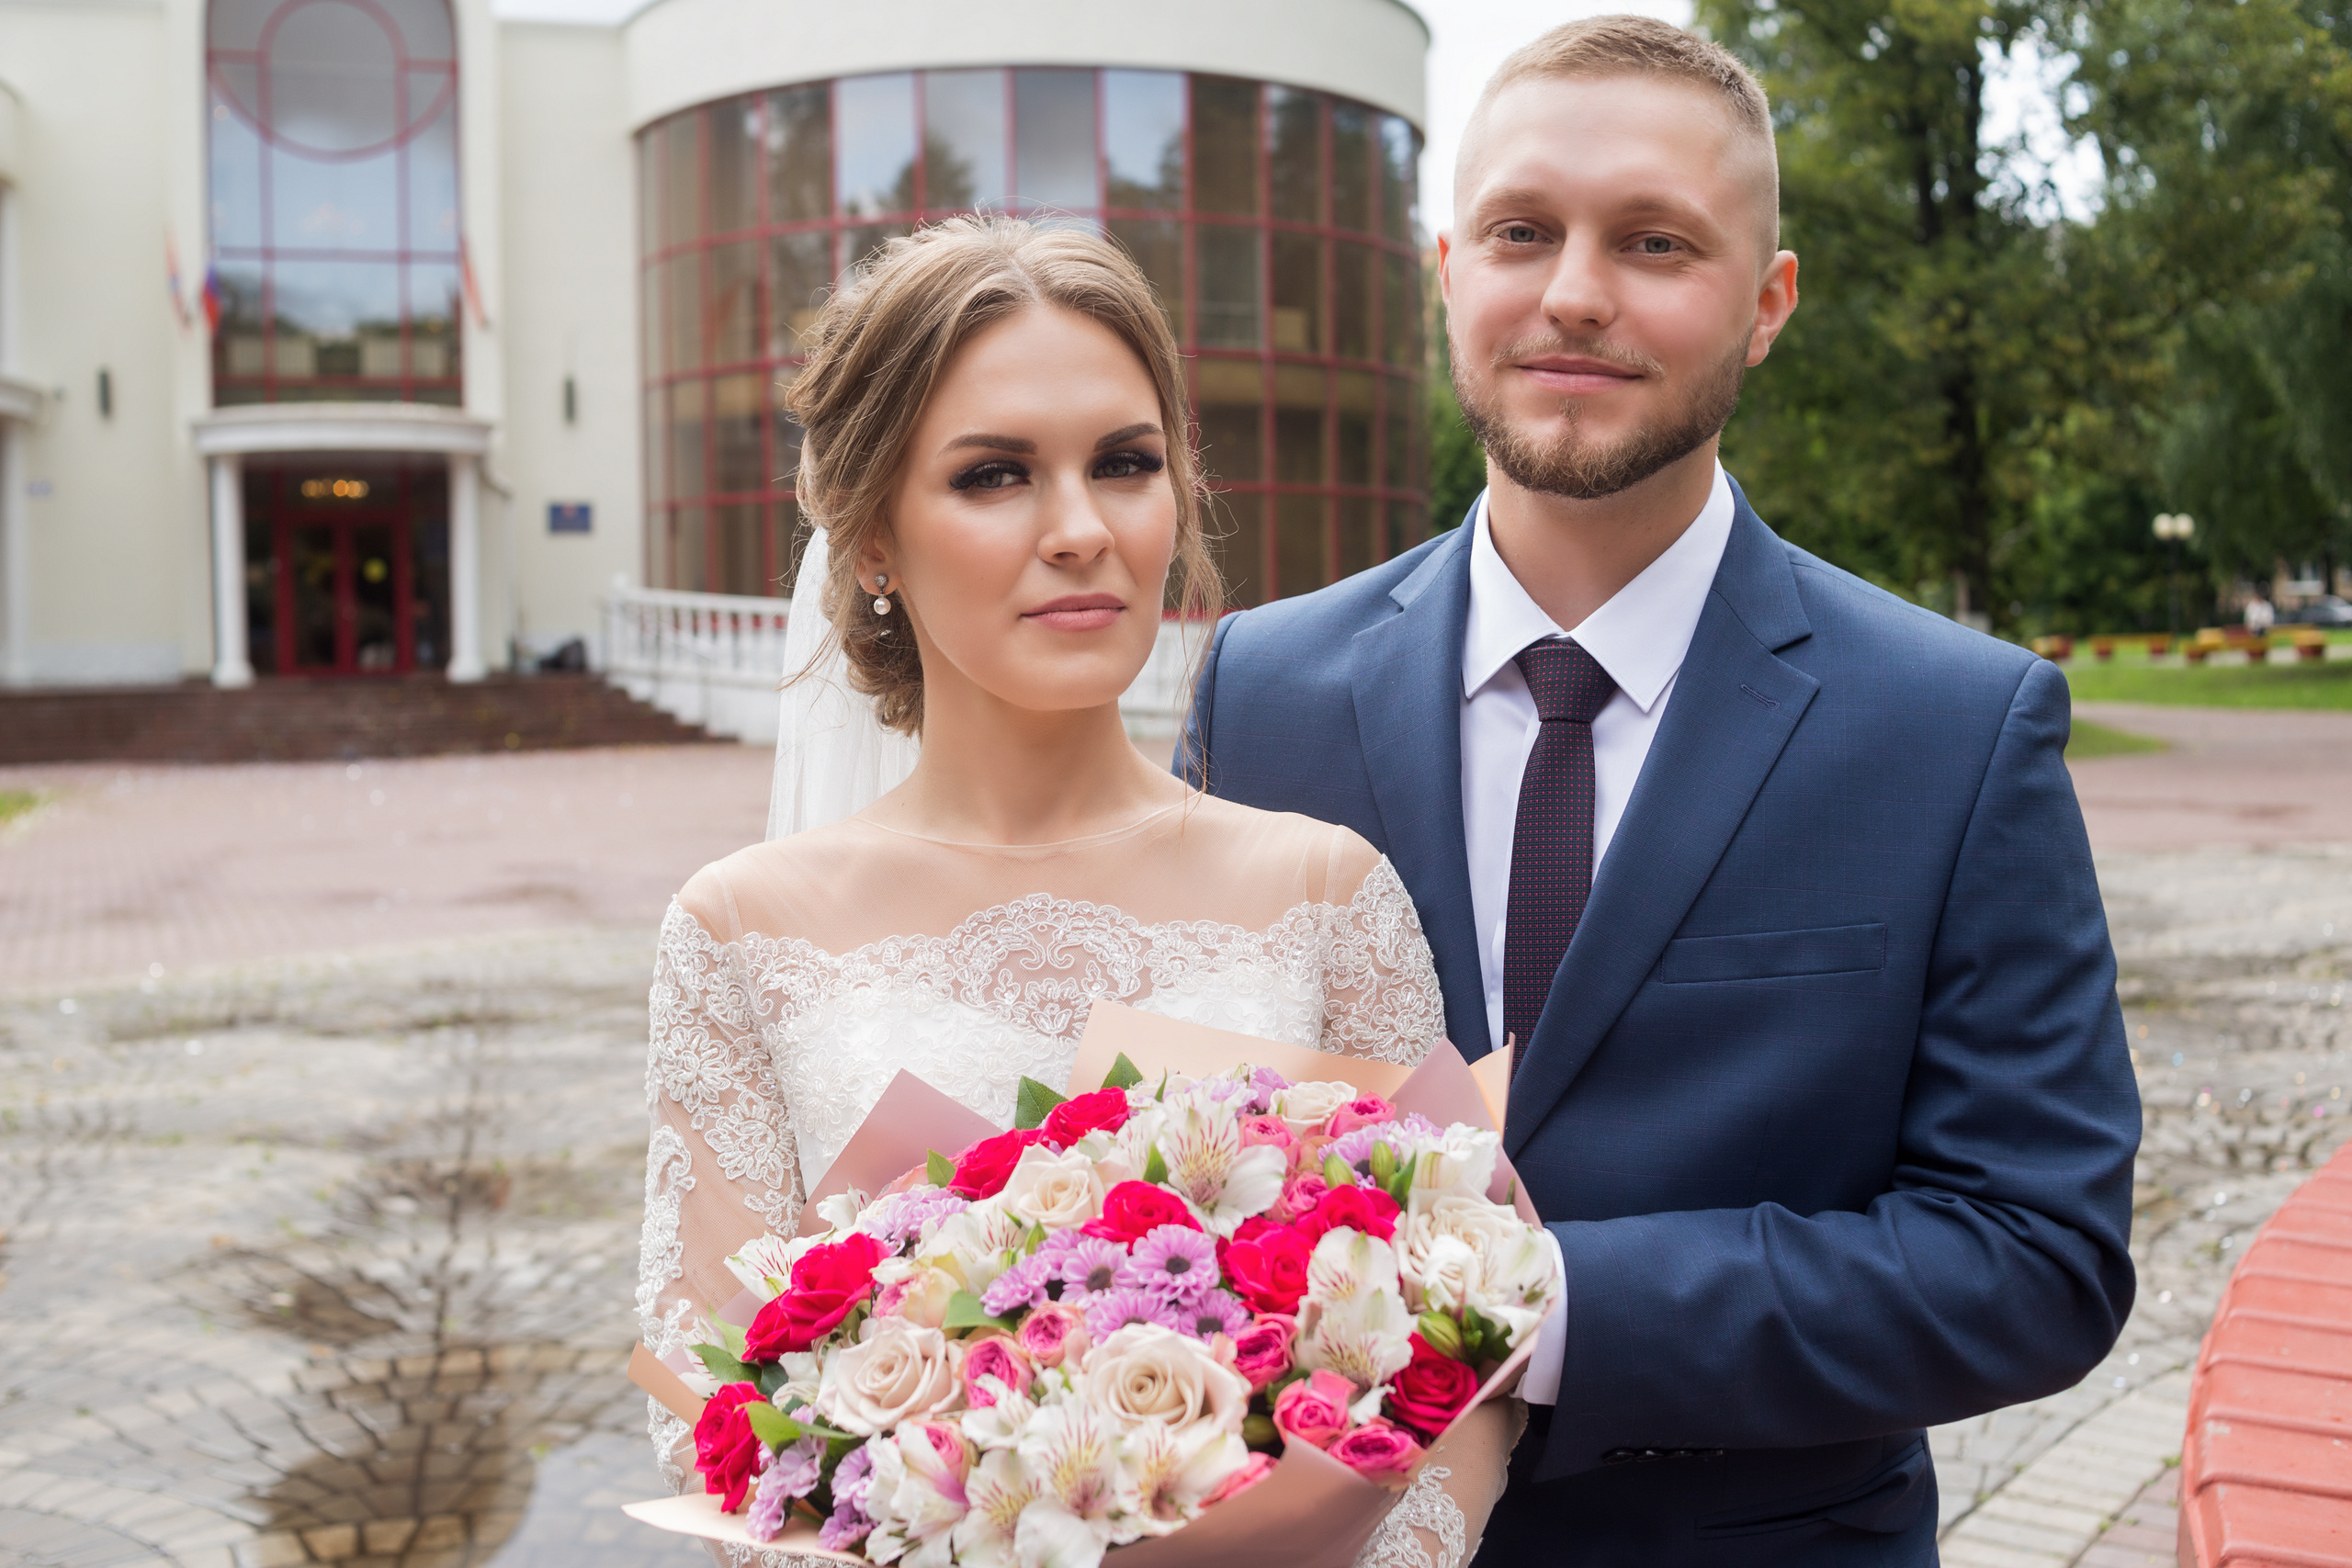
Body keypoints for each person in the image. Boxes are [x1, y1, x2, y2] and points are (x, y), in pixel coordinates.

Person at [1180, 18, 2140, 1566]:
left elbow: (2038, 1256)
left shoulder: (1958, 729)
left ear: (1767, 305)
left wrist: (1544, 1306)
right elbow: (1160, 1153)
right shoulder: (1262, 692)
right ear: (1447, 272)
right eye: (1521, 232)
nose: (1574, 291)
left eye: (1654, 241)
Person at [636, 218, 1518, 1566]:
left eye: (1124, 463)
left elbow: (1463, 1354)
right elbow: (721, 1416)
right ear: (871, 539)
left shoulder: (1326, 892)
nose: (1081, 530)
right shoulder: (741, 933)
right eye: (993, 475)